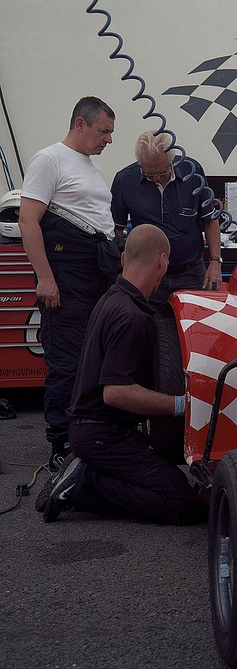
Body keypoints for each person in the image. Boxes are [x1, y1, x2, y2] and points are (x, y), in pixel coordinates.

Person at [41, 224, 205, 525]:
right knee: (184, 504)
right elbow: (116, 393)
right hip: (103, 435)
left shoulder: (111, 299)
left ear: (123, 260)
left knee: (166, 478)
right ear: (163, 262)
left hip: (92, 429)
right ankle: (82, 485)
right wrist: (182, 404)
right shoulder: (132, 317)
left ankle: (90, 473)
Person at [19, 96, 123, 468]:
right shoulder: (49, 159)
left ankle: (90, 435)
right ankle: (61, 445)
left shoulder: (90, 167)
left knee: (96, 357)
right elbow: (28, 221)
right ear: (80, 123)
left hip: (97, 266)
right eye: (104, 131)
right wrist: (45, 279)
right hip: (67, 269)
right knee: (68, 360)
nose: (108, 139)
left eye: (111, 132)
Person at [110, 131, 222, 313]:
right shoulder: (124, 180)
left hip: (191, 272)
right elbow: (116, 231)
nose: (155, 179)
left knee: (194, 329)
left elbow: (210, 219)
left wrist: (215, 263)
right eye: (149, 174)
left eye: (161, 173)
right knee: (148, 331)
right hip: (147, 274)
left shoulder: (192, 173)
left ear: (172, 161)